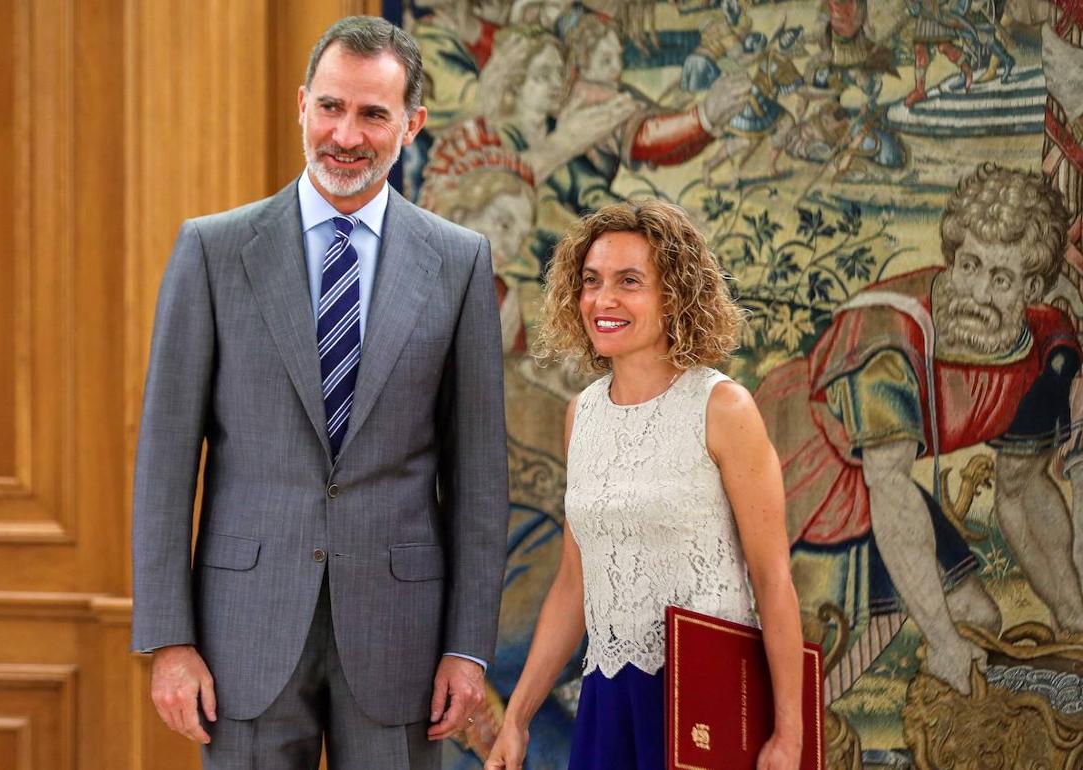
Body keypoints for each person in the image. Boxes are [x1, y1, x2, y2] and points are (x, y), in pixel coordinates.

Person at [129, 16, 510, 770]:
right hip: (242, 633)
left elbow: (477, 477)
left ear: (412, 125)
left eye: (373, 114)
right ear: (303, 105)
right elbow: (165, 460)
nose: (346, 134)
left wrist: (467, 648)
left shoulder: (459, 262)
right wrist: (169, 641)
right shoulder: (212, 251)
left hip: (403, 637)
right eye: (331, 107)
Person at [483, 200, 805, 770]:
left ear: (675, 295)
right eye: (591, 281)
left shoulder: (723, 407)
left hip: (705, 698)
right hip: (607, 695)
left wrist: (789, 734)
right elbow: (574, 583)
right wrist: (517, 719)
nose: (602, 299)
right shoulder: (582, 415)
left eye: (629, 282)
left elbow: (773, 578)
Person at [756, 163, 1083, 696]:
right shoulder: (888, 337)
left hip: (880, 476)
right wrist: (943, 642)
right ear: (952, 257)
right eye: (969, 265)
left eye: (1001, 279)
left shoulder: (1043, 347)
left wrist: (1073, 618)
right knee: (810, 669)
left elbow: (1023, 492)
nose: (978, 293)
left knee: (979, 619)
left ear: (1031, 289)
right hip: (808, 470)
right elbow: (887, 489)